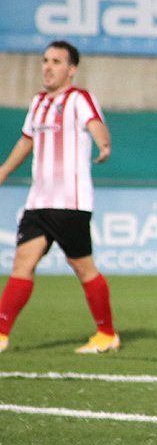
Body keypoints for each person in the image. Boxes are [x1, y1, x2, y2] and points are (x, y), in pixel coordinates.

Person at [0, 41, 119, 355]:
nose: (48, 67)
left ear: (71, 69)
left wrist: (104, 146)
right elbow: (27, 140)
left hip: (70, 203)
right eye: (45, 60)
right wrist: (4, 171)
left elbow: (96, 126)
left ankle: (107, 335)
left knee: (83, 268)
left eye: (56, 61)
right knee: (22, 264)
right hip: (37, 202)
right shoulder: (38, 102)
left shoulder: (80, 99)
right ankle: (1, 334)